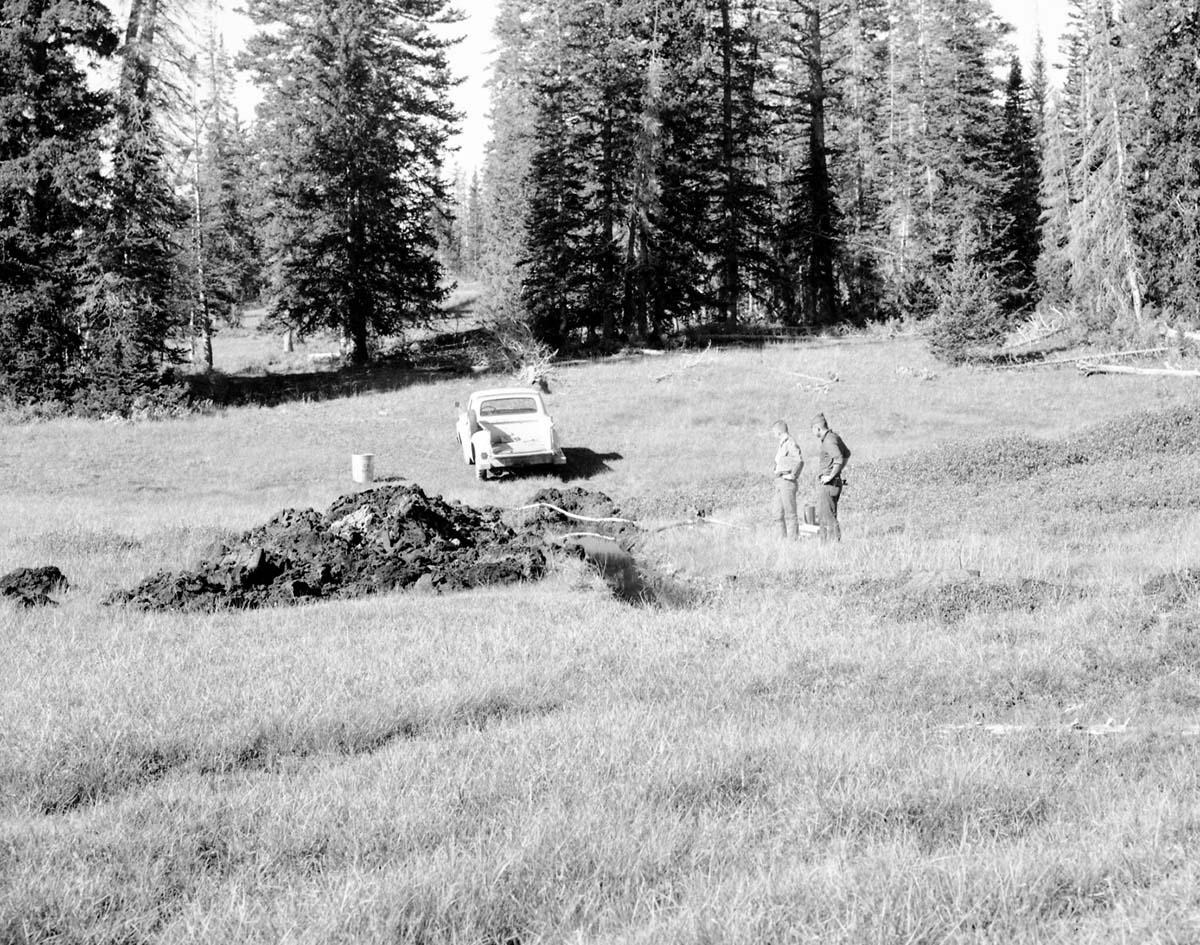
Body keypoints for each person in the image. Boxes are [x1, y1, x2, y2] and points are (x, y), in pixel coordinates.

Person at [811, 412, 849, 542]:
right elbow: (846, 454)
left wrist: (830, 476)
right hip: (834, 483)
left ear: (817, 428)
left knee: (826, 517)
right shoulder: (834, 437)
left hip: (828, 485)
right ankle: (829, 545)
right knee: (829, 515)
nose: (812, 432)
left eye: (812, 429)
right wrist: (837, 472)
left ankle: (833, 546)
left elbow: (838, 458)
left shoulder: (828, 441)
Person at [770, 420, 804, 539]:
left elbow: (799, 460)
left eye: (774, 432)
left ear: (779, 431)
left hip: (787, 482)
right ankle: (781, 540)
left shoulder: (790, 443)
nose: (773, 434)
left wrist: (793, 475)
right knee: (777, 514)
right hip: (779, 481)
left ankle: (793, 540)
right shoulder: (782, 444)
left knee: (790, 514)